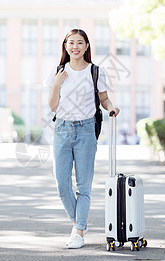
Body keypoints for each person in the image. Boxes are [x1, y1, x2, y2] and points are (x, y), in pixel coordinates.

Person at [46, 29, 120, 249]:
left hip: (86, 130)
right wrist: (57, 83)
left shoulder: (95, 72)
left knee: (84, 186)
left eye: (80, 42)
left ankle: (78, 231)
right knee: (62, 185)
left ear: (87, 46)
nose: (75, 46)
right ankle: (77, 221)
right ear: (65, 46)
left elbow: (104, 99)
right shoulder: (58, 71)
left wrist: (111, 107)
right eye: (71, 43)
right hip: (62, 129)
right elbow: (52, 106)